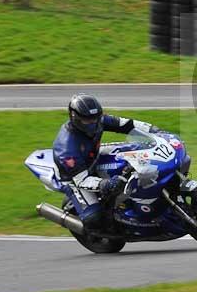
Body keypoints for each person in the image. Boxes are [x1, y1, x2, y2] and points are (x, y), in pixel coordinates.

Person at [53, 94, 159, 229]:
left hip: (94, 155)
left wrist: (153, 130)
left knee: (139, 149)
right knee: (94, 218)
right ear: (75, 118)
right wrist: (105, 183)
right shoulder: (67, 148)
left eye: (95, 118)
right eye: (88, 120)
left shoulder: (98, 120)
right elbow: (81, 180)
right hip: (74, 178)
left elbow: (126, 124)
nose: (93, 123)